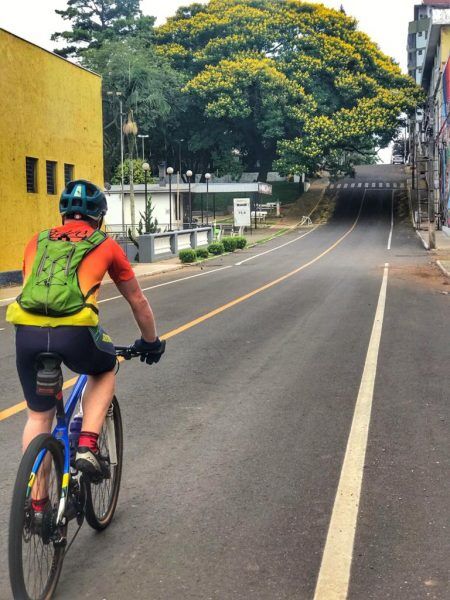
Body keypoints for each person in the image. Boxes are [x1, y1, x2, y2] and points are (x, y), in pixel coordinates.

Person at [7, 180, 165, 499]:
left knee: (39, 416)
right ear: (100, 217)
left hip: (26, 334)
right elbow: (138, 302)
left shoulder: (35, 241)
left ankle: (36, 503)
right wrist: (151, 341)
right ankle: (88, 444)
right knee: (104, 369)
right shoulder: (105, 245)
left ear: (63, 213)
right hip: (75, 334)